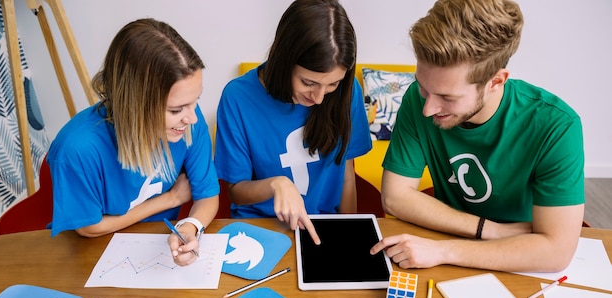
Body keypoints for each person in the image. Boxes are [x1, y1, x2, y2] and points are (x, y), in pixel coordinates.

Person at [371, 0, 585, 273]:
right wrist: (490, 230)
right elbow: (395, 198)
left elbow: (555, 253)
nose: (428, 109)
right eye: (423, 87)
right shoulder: (417, 100)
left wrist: (443, 250)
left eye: (448, 97)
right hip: (460, 249)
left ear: (496, 81)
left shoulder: (557, 125)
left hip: (519, 261)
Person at [48, 18, 219, 266]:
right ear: (136, 105)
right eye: (176, 109)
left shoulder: (189, 121)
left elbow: (207, 195)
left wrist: (190, 227)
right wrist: (169, 200)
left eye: (195, 101)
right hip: (90, 255)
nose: (192, 117)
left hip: (156, 252)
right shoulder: (78, 149)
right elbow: (89, 228)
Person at [214, 0, 372, 244]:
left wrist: (346, 235)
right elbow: (236, 192)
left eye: (332, 84)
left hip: (323, 227)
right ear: (284, 59)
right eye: (308, 83)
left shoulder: (348, 93)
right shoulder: (237, 97)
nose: (319, 98)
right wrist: (276, 184)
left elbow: (347, 174)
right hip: (259, 229)